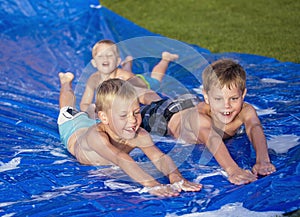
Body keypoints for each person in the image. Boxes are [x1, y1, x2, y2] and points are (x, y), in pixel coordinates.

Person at [57, 72, 202, 197]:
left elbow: (159, 157)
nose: (133, 120)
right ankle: (65, 83)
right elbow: (121, 159)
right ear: (105, 118)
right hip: (74, 128)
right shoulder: (96, 137)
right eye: (124, 115)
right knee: (67, 108)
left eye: (136, 112)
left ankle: (94, 110)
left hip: (105, 122)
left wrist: (175, 176)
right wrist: (152, 184)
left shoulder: (138, 134)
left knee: (95, 115)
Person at [140, 58, 276, 185]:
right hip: (164, 116)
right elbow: (211, 137)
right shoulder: (199, 118)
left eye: (233, 99)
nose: (226, 105)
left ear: (243, 95)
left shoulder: (246, 110)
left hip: (189, 103)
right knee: (146, 101)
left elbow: (254, 127)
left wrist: (263, 161)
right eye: (219, 99)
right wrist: (232, 169)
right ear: (206, 96)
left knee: (154, 97)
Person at [80, 39, 178, 113]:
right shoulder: (93, 79)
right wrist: (92, 109)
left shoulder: (125, 76)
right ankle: (127, 63)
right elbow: (84, 104)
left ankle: (166, 59)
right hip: (122, 77)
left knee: (156, 78)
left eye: (109, 55)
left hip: (143, 82)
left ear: (117, 61)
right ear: (94, 63)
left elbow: (142, 89)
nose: (105, 58)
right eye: (100, 56)